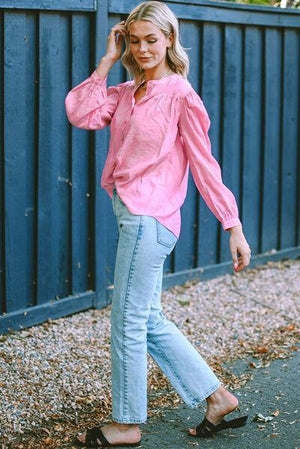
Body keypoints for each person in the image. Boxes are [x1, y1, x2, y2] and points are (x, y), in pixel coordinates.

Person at [65, 1, 251, 447]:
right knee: (147, 318)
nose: (144, 48)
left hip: (152, 218)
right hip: (131, 212)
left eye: (152, 39)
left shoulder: (180, 94)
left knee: (127, 319)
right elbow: (81, 113)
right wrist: (107, 62)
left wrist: (233, 225)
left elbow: (205, 165)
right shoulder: (126, 91)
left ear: (170, 39)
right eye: (135, 40)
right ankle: (218, 398)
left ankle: (127, 424)